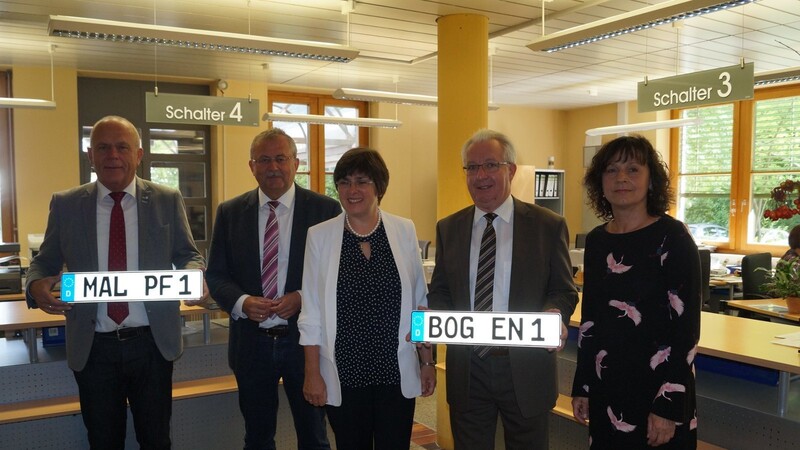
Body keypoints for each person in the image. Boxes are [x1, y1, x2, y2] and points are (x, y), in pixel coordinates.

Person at [25, 115, 207, 449]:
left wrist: (194, 274)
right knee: (103, 441)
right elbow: (44, 262)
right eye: (103, 147)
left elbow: (188, 255)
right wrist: (35, 285)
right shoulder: (66, 204)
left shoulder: (167, 199)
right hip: (93, 347)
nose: (113, 155)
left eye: (122, 147)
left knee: (156, 440)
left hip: (152, 345)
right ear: (90, 155)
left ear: (139, 155)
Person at [427, 129, 577, 450]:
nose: (480, 175)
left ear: (510, 170)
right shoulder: (449, 228)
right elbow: (441, 291)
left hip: (526, 366)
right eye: (472, 167)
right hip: (469, 368)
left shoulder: (548, 226)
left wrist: (556, 313)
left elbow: (563, 290)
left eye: (490, 165)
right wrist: (431, 315)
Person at [205, 128, 339, 450]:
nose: (273, 167)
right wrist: (241, 302)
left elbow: (336, 277)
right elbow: (217, 275)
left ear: (296, 163)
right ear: (252, 166)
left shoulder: (326, 211)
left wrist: (302, 298)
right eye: (264, 160)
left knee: (314, 436)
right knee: (258, 436)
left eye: (281, 158)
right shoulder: (229, 212)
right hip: (251, 346)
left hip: (305, 345)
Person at [299, 147, 435, 450]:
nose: (352, 190)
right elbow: (310, 311)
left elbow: (419, 303)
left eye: (362, 181)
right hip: (343, 371)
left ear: (379, 187)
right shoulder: (319, 236)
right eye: (344, 182)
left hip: (394, 370)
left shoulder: (403, 229)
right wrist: (312, 373)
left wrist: (427, 360)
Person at [571, 135, 701, 449]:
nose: (622, 178)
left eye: (633, 169)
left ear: (651, 181)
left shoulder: (673, 238)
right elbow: (591, 320)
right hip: (608, 389)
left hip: (659, 392)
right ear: (599, 182)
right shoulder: (598, 241)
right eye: (611, 170)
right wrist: (583, 384)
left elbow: (686, 332)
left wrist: (667, 406)